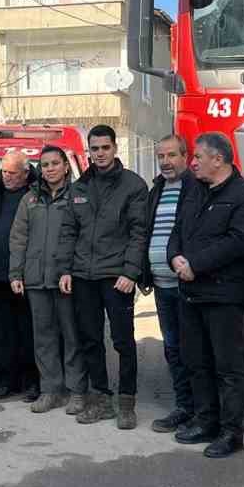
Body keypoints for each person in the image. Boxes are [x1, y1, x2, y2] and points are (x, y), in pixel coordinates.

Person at [169, 133, 244, 458]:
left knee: (228, 367)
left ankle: (231, 431)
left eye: (197, 156)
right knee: (196, 361)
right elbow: (177, 230)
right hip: (190, 292)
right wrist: (175, 258)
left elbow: (238, 243)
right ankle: (205, 421)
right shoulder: (193, 189)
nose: (191, 162)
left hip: (223, 295)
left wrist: (195, 263)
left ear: (218, 160)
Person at [62, 125, 150, 427]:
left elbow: (140, 233)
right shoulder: (79, 187)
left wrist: (130, 272)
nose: (99, 154)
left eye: (105, 148)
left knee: (123, 340)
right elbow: (69, 232)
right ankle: (101, 400)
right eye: (94, 149)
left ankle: (126, 403)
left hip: (117, 277)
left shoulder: (134, 186)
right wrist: (65, 270)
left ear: (114, 148)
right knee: (89, 339)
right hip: (83, 276)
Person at [10, 145, 82, 414]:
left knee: (72, 336)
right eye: (45, 164)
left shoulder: (77, 197)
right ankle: (51, 390)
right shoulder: (29, 199)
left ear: (66, 166)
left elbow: (82, 237)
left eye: (54, 163)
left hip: (66, 280)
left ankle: (76, 391)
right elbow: (18, 239)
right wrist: (15, 273)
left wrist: (72, 271)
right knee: (43, 338)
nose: (49, 169)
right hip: (35, 280)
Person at [144, 134, 198, 433]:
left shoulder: (196, 187)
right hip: (162, 285)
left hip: (189, 285)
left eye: (171, 155)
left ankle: (203, 412)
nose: (165, 161)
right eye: (160, 156)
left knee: (194, 351)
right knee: (173, 349)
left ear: (185, 156)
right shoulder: (157, 189)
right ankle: (184, 407)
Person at [0, 150, 37, 402]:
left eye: (12, 173)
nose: (7, 177)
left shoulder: (35, 194)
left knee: (30, 332)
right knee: (3, 334)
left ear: (25, 174)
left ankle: (33, 382)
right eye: (4, 172)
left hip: (27, 277)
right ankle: (8, 381)